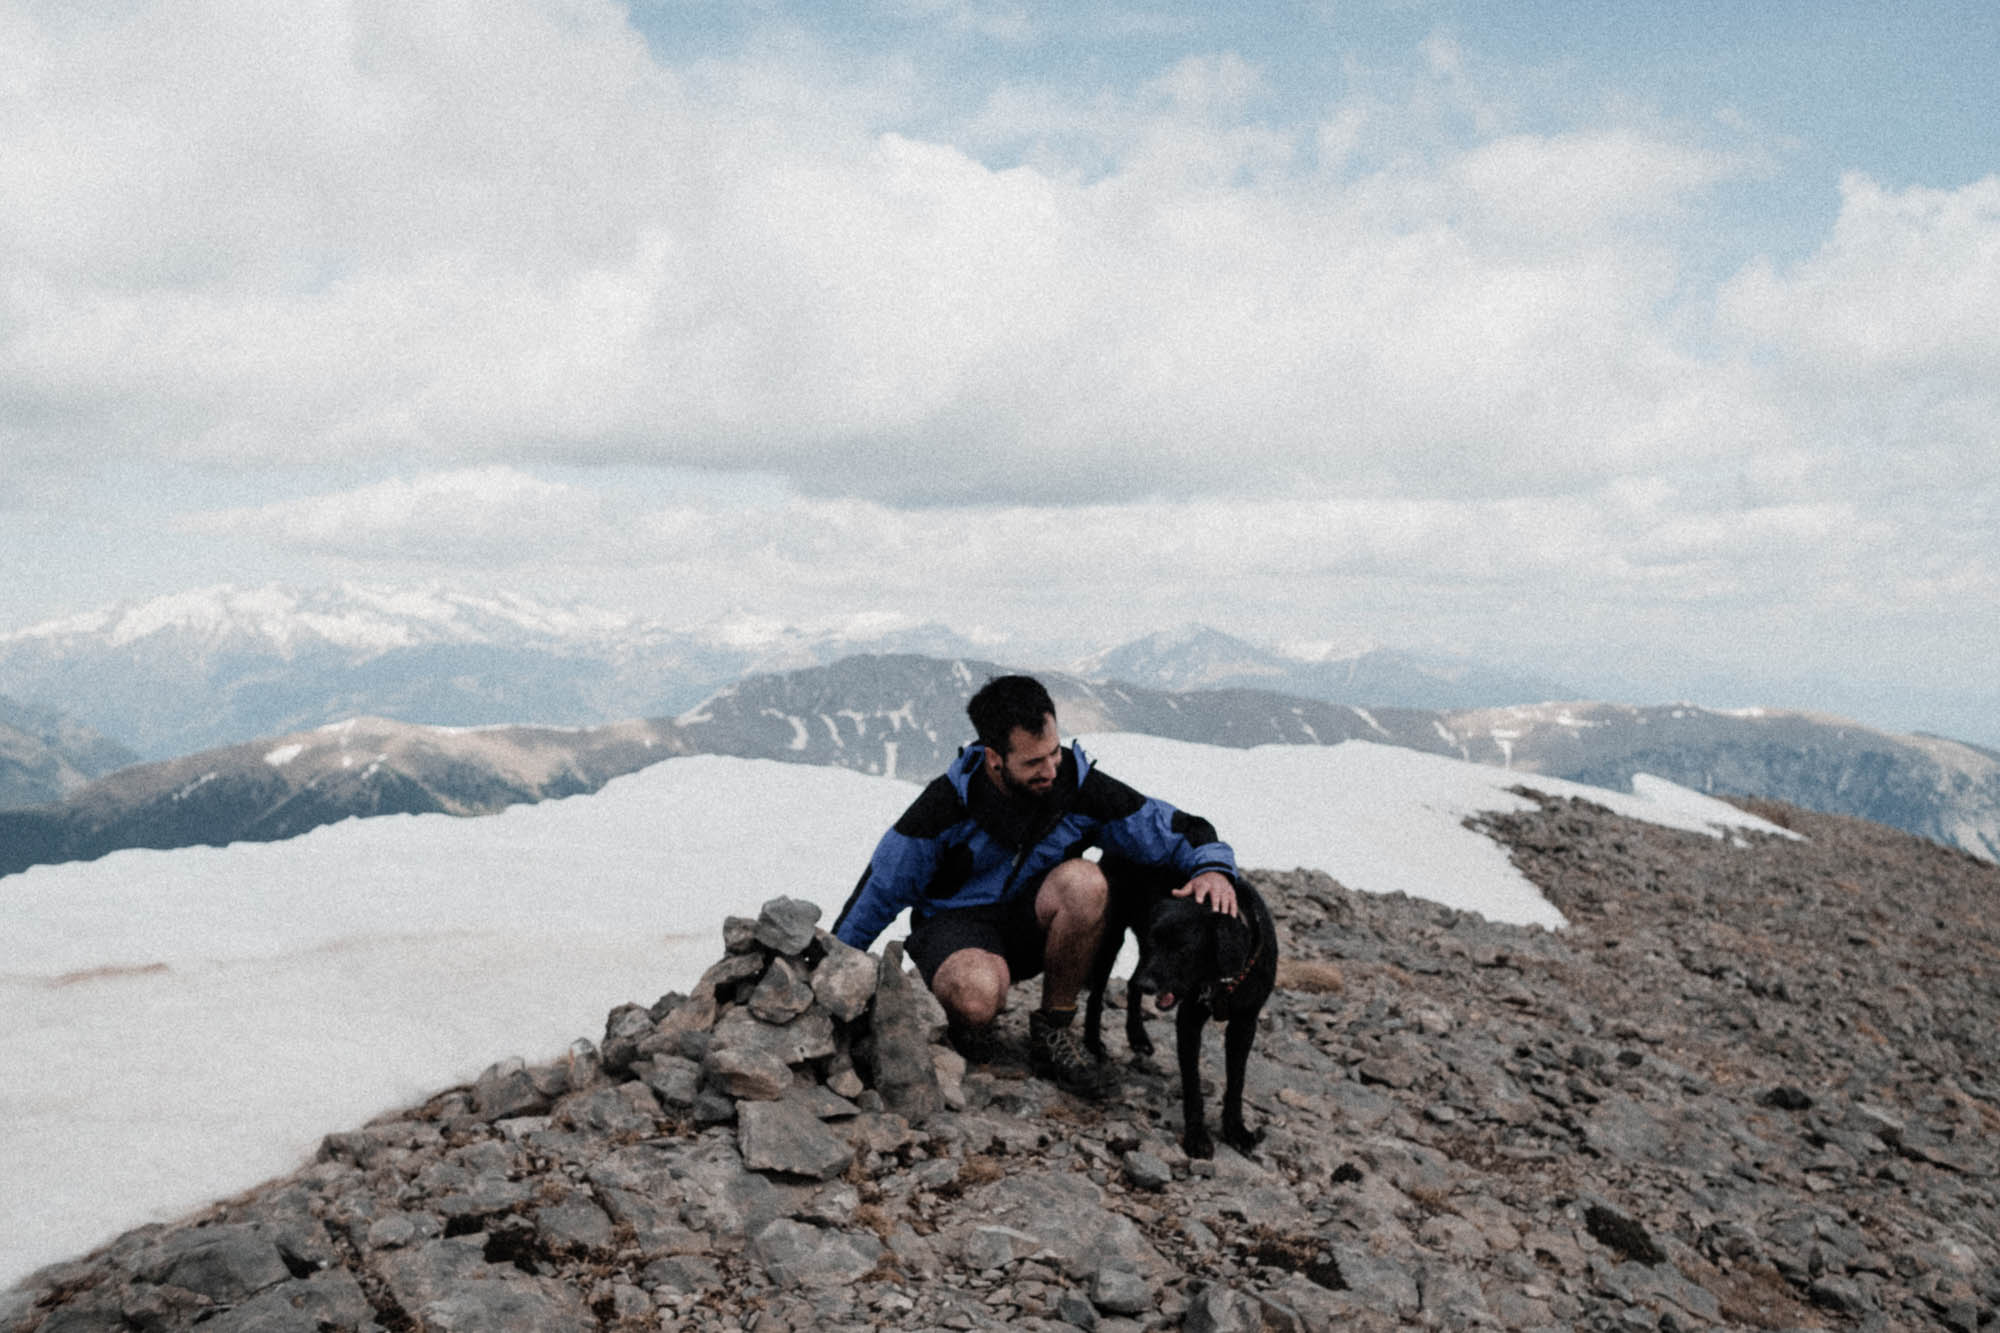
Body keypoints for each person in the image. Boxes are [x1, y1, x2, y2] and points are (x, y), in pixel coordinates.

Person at [832, 674, 1240, 1095]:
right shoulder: (944, 806)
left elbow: (1173, 829)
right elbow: (879, 891)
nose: (1050, 770)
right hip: (954, 927)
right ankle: (965, 1026)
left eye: (1053, 753)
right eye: (1032, 763)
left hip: (1033, 926)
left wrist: (1211, 868)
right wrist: (831, 968)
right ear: (994, 757)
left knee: (1086, 882)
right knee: (976, 997)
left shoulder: (1078, 787)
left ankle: (1054, 1029)